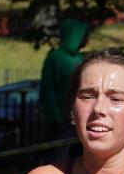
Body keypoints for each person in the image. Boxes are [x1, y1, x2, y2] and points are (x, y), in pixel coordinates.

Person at [39, 16, 91, 144]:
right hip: (62, 120)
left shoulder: (81, 59)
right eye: (83, 35)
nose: (87, 39)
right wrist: (54, 116)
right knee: (59, 152)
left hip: (81, 117)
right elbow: (48, 90)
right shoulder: (55, 58)